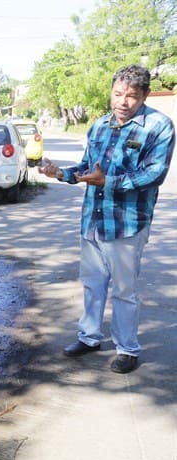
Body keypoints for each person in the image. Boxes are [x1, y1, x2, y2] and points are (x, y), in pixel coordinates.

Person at [38, 64, 175, 374]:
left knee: (125, 291)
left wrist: (108, 182)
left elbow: (155, 174)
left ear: (144, 96)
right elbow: (88, 167)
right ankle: (89, 338)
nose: (122, 102)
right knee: (92, 285)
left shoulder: (158, 126)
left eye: (131, 96)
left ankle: (127, 349)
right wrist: (61, 173)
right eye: (117, 94)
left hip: (127, 223)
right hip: (94, 221)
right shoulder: (99, 125)